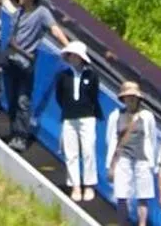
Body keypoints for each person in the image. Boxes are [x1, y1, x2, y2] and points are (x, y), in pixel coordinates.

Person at [4, 0, 65, 150]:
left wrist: (68, 46)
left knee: (23, 100)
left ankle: (21, 136)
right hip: (10, 60)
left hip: (25, 63)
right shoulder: (18, 14)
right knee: (11, 98)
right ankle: (13, 132)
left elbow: (55, 29)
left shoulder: (41, 13)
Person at [106, 82, 161, 226]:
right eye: (127, 96)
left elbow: (152, 139)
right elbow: (111, 138)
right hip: (122, 158)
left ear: (138, 98)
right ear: (123, 98)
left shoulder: (147, 116)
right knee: (121, 194)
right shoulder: (116, 115)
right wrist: (112, 160)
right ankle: (123, 223)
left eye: (133, 97)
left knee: (143, 195)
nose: (130, 99)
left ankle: (142, 223)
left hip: (142, 158)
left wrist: (152, 160)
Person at [54, 41, 102, 204]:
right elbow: (59, 96)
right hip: (69, 116)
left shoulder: (91, 75)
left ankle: (89, 185)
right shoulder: (63, 76)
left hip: (87, 117)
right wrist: (68, 109)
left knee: (88, 151)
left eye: (76, 55)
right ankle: (75, 185)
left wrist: (87, 109)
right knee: (71, 153)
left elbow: (94, 95)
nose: (73, 58)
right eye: (71, 55)